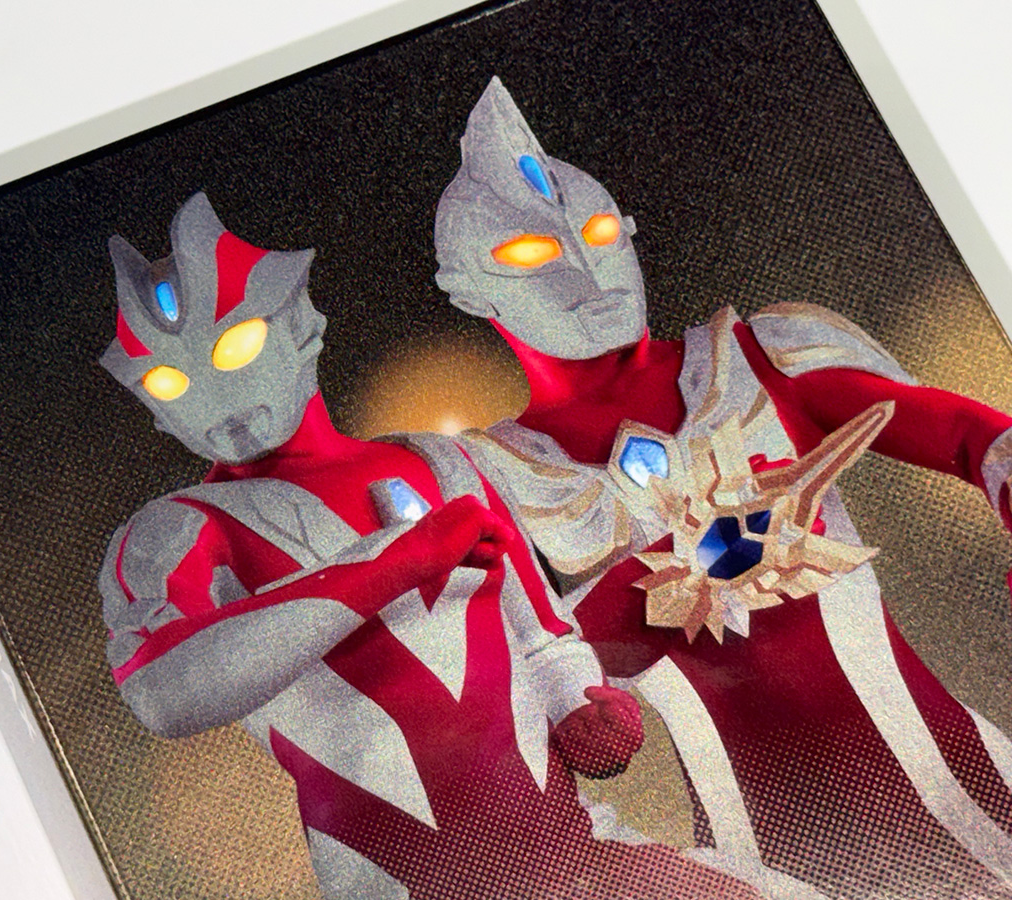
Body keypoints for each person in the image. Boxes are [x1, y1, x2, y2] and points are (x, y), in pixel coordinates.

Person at [437, 76, 1012, 900]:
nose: (587, 268)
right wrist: (602, 659)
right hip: (759, 861)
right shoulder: (485, 478)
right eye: (530, 254)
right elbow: (505, 687)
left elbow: (973, 435)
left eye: (600, 233)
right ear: (469, 290)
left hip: (969, 790)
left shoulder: (762, 357)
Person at [97, 191, 763, 900]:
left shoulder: (436, 461)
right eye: (168, 380)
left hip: (570, 849)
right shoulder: (177, 530)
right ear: (150, 408)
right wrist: (391, 563)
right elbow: (161, 691)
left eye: (237, 346)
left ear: (301, 325)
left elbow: (539, 630)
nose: (213, 394)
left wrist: (577, 700)